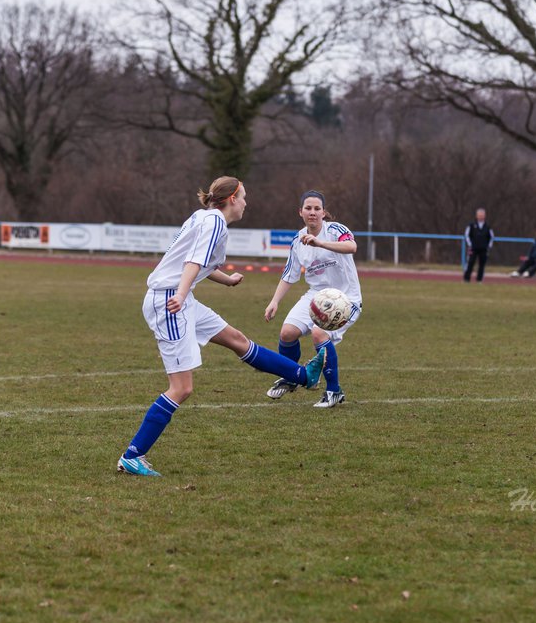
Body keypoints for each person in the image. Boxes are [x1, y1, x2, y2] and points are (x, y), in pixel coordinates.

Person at [118, 177, 327, 476]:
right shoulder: (214, 221)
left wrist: (226, 279)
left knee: (237, 339)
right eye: (243, 197)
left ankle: (302, 375)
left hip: (180, 297)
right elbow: (192, 262)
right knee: (182, 388)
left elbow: (200, 264)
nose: (246, 203)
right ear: (230, 198)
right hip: (170, 302)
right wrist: (179, 293)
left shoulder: (204, 217)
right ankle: (132, 455)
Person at [263, 191, 362, 408]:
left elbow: (351, 247)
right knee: (287, 333)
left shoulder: (335, 230)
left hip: (345, 299)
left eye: (317, 208)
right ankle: (292, 377)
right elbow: (289, 274)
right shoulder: (297, 240)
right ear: (300, 212)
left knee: (319, 333)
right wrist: (275, 301)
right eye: (308, 208)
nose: (313, 212)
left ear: (324, 212)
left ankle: (334, 391)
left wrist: (320, 244)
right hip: (315, 295)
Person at [462, 209, 494, 283]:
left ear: (484, 216)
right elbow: (467, 235)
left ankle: (479, 280)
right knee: (470, 263)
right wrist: (470, 244)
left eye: (482, 215)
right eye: (479, 215)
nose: (481, 217)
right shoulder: (471, 225)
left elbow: (491, 237)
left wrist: (488, 246)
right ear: (476, 216)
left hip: (483, 249)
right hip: (473, 248)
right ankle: (466, 279)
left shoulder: (488, 227)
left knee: (482, 265)